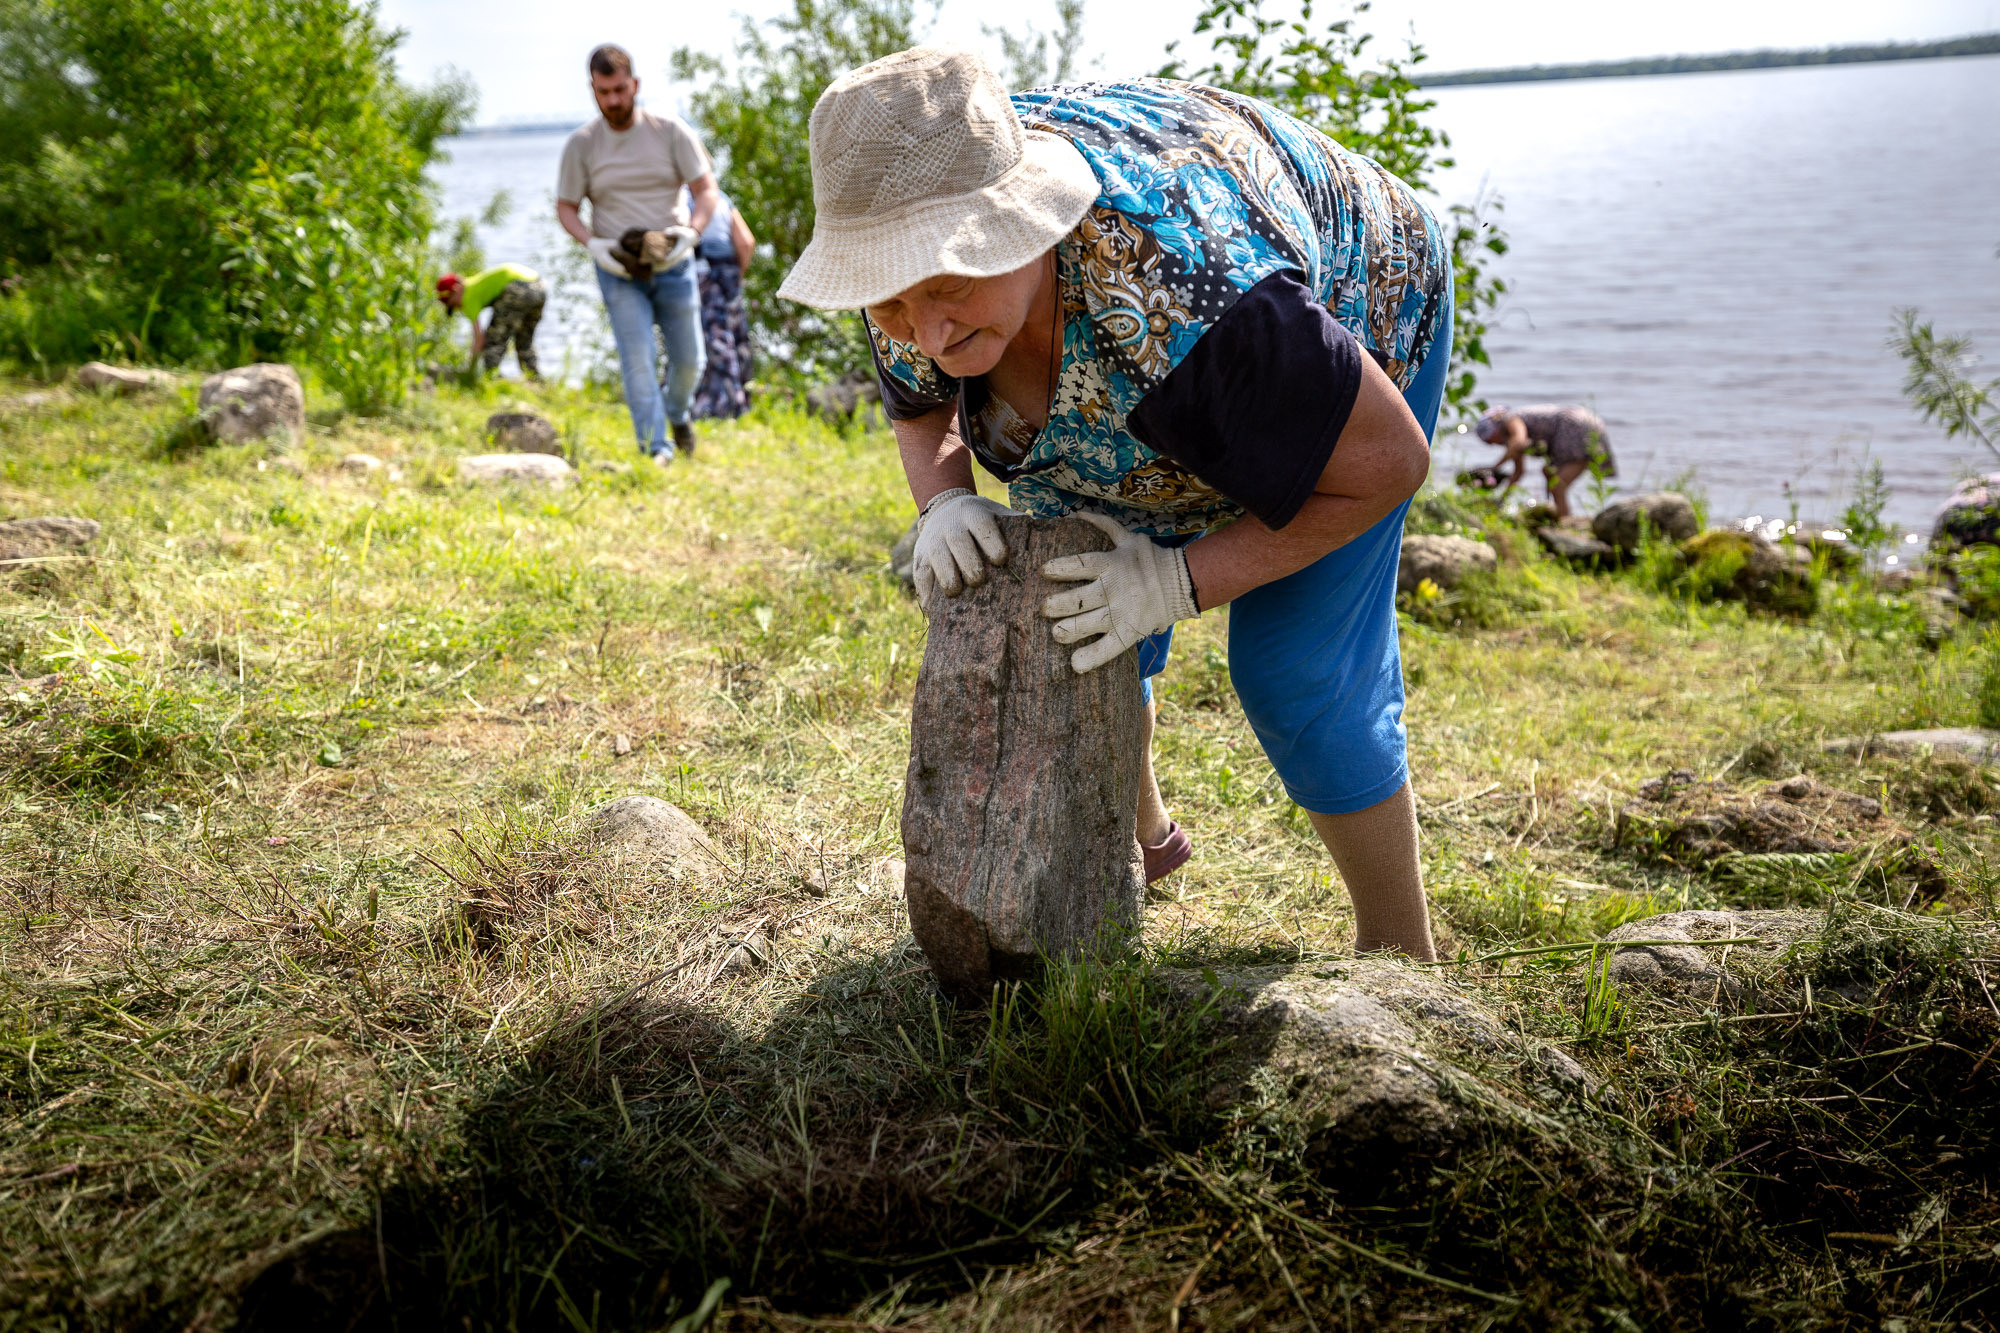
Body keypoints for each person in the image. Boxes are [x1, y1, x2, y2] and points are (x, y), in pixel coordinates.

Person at [779, 48, 1452, 960]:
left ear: (1026, 224)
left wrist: (1177, 581)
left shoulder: (1181, 287)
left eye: (946, 288)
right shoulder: (907, 256)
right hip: (1137, 366)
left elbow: (1384, 463)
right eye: (893, 306)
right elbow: (921, 402)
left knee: (1298, 668)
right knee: (1076, 610)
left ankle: (1403, 956)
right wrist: (942, 502)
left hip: (1356, 301)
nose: (927, 335)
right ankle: (1144, 849)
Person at [556, 43, 721, 462]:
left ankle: (677, 412)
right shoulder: (582, 145)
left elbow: (705, 190)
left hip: (673, 261)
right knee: (638, 360)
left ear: (635, 85)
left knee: (690, 362)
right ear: (592, 90)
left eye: (619, 89)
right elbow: (566, 207)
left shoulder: (669, 131)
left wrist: (691, 232)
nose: (613, 100)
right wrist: (592, 244)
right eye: (603, 91)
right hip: (619, 269)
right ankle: (656, 449)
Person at [1474, 404, 1616, 519]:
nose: (1492, 444)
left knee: (1557, 485)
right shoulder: (1510, 439)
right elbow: (1518, 473)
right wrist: (1501, 501)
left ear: (1495, 427)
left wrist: (1494, 468)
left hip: (1575, 426)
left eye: (1489, 440)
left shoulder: (1511, 420)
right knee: (1549, 473)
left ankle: (1565, 523)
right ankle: (1559, 517)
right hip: (1578, 425)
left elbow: (1519, 442)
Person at [691, 187, 756, 419]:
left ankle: (719, 407)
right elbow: (746, 242)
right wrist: (737, 274)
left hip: (702, 269)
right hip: (730, 269)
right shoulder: (722, 198)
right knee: (737, 337)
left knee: (713, 338)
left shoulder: (682, 198)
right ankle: (740, 403)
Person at [434, 265, 546, 379]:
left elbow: (479, 339)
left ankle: (491, 379)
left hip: (518, 289)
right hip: (539, 286)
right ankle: (535, 379)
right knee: (524, 341)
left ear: (456, 289)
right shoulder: (474, 282)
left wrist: (470, 369)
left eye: (452, 303)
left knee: (493, 341)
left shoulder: (467, 297)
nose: (458, 308)